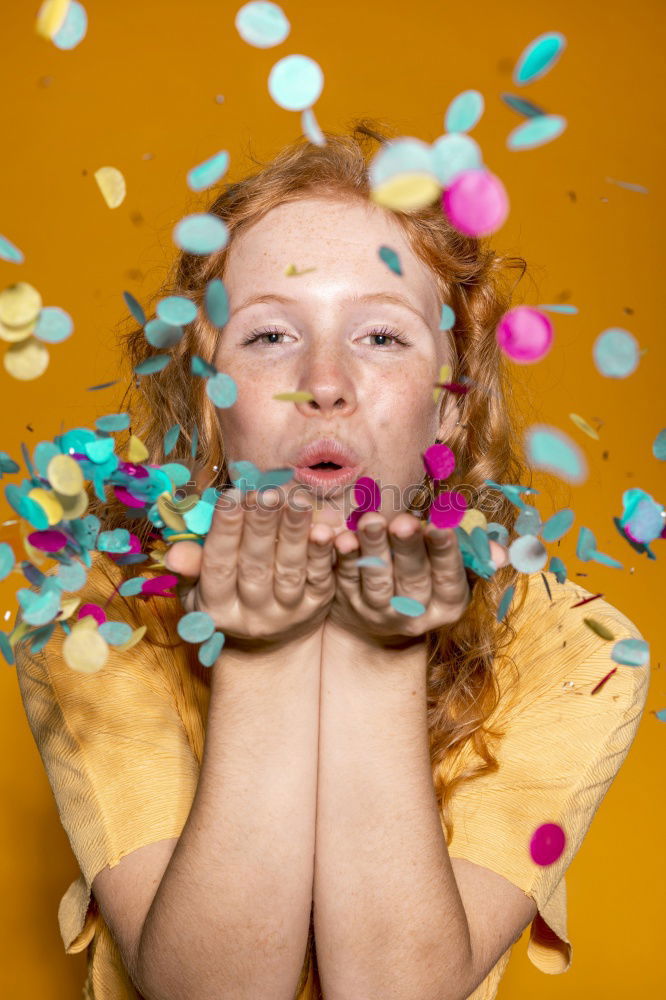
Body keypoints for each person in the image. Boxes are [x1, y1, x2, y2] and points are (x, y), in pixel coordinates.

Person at [14, 121, 650, 1000]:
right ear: (209, 395)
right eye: (270, 336)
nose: (325, 379)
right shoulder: (96, 617)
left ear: (453, 403)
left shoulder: (575, 647)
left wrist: (376, 652)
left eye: (382, 338)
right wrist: (265, 653)